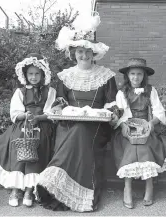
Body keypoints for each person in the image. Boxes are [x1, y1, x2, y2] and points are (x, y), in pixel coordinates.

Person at [34, 12, 118, 212]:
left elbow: (113, 102)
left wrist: (113, 112)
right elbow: (61, 101)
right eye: (79, 51)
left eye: (87, 51)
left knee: (81, 129)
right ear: (73, 53)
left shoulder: (106, 76)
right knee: (76, 129)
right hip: (69, 122)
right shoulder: (65, 76)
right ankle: (56, 186)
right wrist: (56, 107)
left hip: (97, 125)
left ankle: (55, 177)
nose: (84, 55)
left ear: (94, 53)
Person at [0, 53, 56, 207]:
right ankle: (16, 188)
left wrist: (39, 117)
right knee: (18, 142)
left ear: (43, 75)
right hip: (23, 123)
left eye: (37, 74)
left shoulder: (50, 91)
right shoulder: (20, 92)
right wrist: (25, 115)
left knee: (38, 145)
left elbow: (51, 113)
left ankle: (30, 188)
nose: (34, 77)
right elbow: (14, 113)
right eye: (30, 74)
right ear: (25, 75)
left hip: (42, 124)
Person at [111, 58, 166, 209]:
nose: (135, 77)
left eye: (139, 74)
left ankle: (149, 184)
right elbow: (121, 115)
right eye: (132, 74)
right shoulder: (122, 92)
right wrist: (124, 126)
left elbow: (159, 111)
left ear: (144, 76)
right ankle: (127, 187)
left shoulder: (151, 90)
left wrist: (151, 123)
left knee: (145, 145)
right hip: (128, 128)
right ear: (127, 76)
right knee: (131, 146)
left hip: (146, 128)